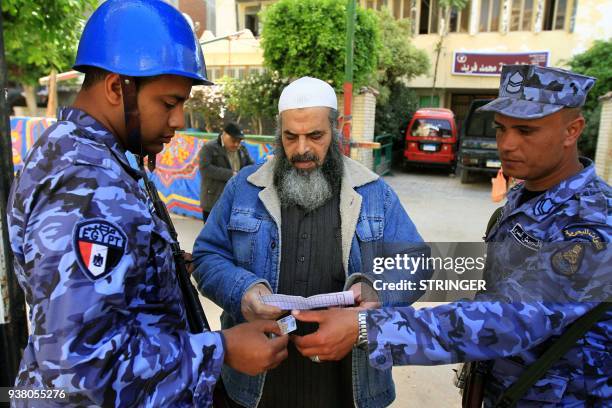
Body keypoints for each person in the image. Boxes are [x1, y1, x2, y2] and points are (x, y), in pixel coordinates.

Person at [6, 1, 287, 406]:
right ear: (117, 87)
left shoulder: (97, 157)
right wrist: (221, 349)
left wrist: (168, 264)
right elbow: (78, 372)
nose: (177, 120)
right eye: (169, 103)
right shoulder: (84, 184)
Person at [289, 65, 611, 406]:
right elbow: (496, 274)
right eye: (501, 129)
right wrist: (381, 286)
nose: (507, 144)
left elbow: (508, 319)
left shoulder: (593, 223)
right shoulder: (528, 194)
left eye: (526, 131)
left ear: (572, 130)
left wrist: (368, 326)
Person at [191, 76, 430, 407]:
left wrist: (377, 294)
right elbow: (206, 256)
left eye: (315, 136)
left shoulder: (375, 194)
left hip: (349, 387)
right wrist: (243, 291)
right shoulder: (243, 189)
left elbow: (415, 261)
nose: (302, 149)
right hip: (256, 386)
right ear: (280, 135)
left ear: (335, 131)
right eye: (291, 137)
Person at [199, 121, 253, 221]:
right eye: (233, 140)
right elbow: (205, 169)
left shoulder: (242, 149)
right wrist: (232, 174)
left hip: (234, 202)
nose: (236, 144)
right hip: (213, 201)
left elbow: (250, 166)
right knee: (212, 235)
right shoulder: (209, 148)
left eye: (239, 141)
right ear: (224, 134)